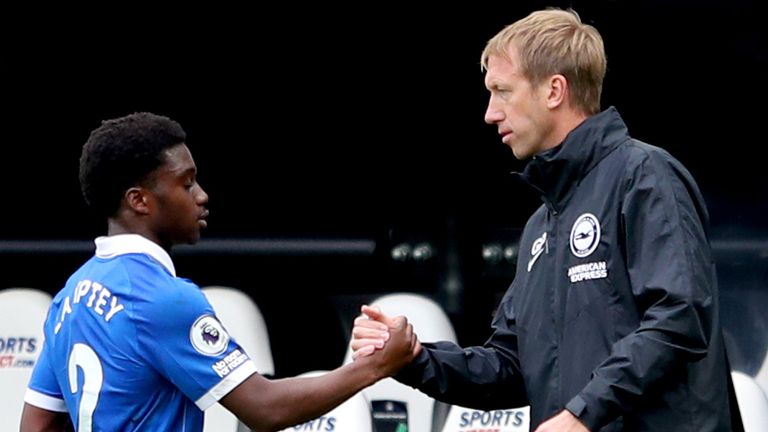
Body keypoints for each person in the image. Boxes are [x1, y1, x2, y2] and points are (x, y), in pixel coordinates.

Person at [351, 8, 742, 432]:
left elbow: (680, 319)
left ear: (554, 90)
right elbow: (509, 367)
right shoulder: (542, 223)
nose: (490, 113)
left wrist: (581, 415)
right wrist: (414, 358)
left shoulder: (645, 175)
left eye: (502, 91)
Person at [20, 112, 420, 432]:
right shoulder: (165, 297)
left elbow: (38, 424)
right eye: (186, 183)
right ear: (139, 201)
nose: (201, 195)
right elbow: (264, 410)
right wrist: (375, 367)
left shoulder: (70, 295)